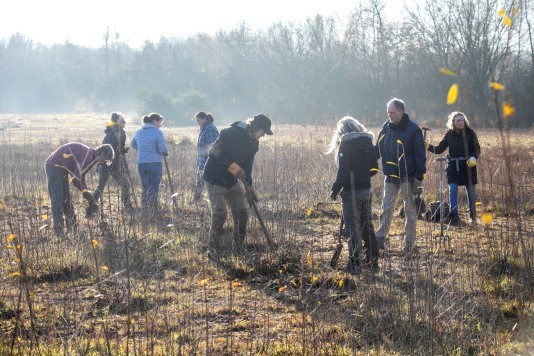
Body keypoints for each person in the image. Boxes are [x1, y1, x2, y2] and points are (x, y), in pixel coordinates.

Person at [203, 114, 273, 253]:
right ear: (255, 127)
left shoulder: (253, 142)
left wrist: (250, 186)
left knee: (242, 214)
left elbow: (248, 165)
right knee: (220, 215)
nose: (263, 135)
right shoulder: (231, 133)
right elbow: (213, 151)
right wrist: (233, 168)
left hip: (232, 180)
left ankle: (238, 247)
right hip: (214, 177)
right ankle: (214, 249)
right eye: (263, 132)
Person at [327, 116, 380, 273]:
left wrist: (335, 190)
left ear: (342, 131)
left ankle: (355, 264)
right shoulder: (367, 143)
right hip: (366, 190)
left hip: (352, 192)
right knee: (367, 225)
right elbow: (374, 168)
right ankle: (373, 260)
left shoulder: (346, 145)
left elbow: (343, 172)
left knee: (353, 228)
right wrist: (363, 177)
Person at [375, 98, 426, 256]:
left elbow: (420, 155)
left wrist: (418, 177)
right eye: (388, 112)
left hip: (407, 176)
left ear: (401, 112)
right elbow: (378, 147)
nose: (390, 115)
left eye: (393, 113)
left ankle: (409, 244)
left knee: (410, 211)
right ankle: (379, 239)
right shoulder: (386, 127)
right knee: (386, 208)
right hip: (390, 175)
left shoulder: (413, 130)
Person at [45, 143, 114, 236]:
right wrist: (86, 192)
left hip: (62, 168)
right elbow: (76, 178)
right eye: (104, 158)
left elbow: (80, 176)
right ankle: (59, 231)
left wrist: (85, 191)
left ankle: (73, 228)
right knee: (57, 199)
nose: (103, 161)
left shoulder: (91, 157)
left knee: (66, 199)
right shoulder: (88, 156)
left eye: (106, 160)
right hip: (54, 165)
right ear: (100, 152)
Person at [426, 111, 481, 224]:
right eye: (458, 121)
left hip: (468, 166)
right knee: (453, 190)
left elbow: (477, 148)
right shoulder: (449, 135)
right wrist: (427, 146)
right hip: (453, 167)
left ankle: (473, 217)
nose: (461, 122)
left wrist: (474, 157)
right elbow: (439, 149)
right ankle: (454, 215)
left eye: (462, 120)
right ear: (453, 122)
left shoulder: (470, 133)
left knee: (471, 192)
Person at [92, 112, 134, 212]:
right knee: (125, 185)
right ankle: (127, 206)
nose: (125, 122)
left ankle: (92, 204)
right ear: (117, 122)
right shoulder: (120, 132)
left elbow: (111, 147)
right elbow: (117, 148)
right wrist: (123, 150)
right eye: (123, 120)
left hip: (104, 163)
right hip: (114, 164)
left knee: (100, 187)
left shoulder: (109, 131)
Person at [131, 113, 168, 219]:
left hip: (141, 163)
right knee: (154, 187)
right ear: (154, 121)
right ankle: (153, 210)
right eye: (159, 122)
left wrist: (143, 150)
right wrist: (164, 152)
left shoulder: (138, 131)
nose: (160, 125)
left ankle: (145, 209)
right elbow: (163, 149)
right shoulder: (158, 132)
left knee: (145, 187)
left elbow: (133, 144)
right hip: (155, 163)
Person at [194, 111, 219, 201]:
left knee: (211, 184)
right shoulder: (204, 128)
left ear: (204, 119)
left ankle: (213, 201)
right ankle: (197, 201)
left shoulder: (210, 129)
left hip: (208, 163)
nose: (197, 123)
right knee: (199, 183)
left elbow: (213, 147)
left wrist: (209, 161)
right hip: (202, 162)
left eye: (198, 121)